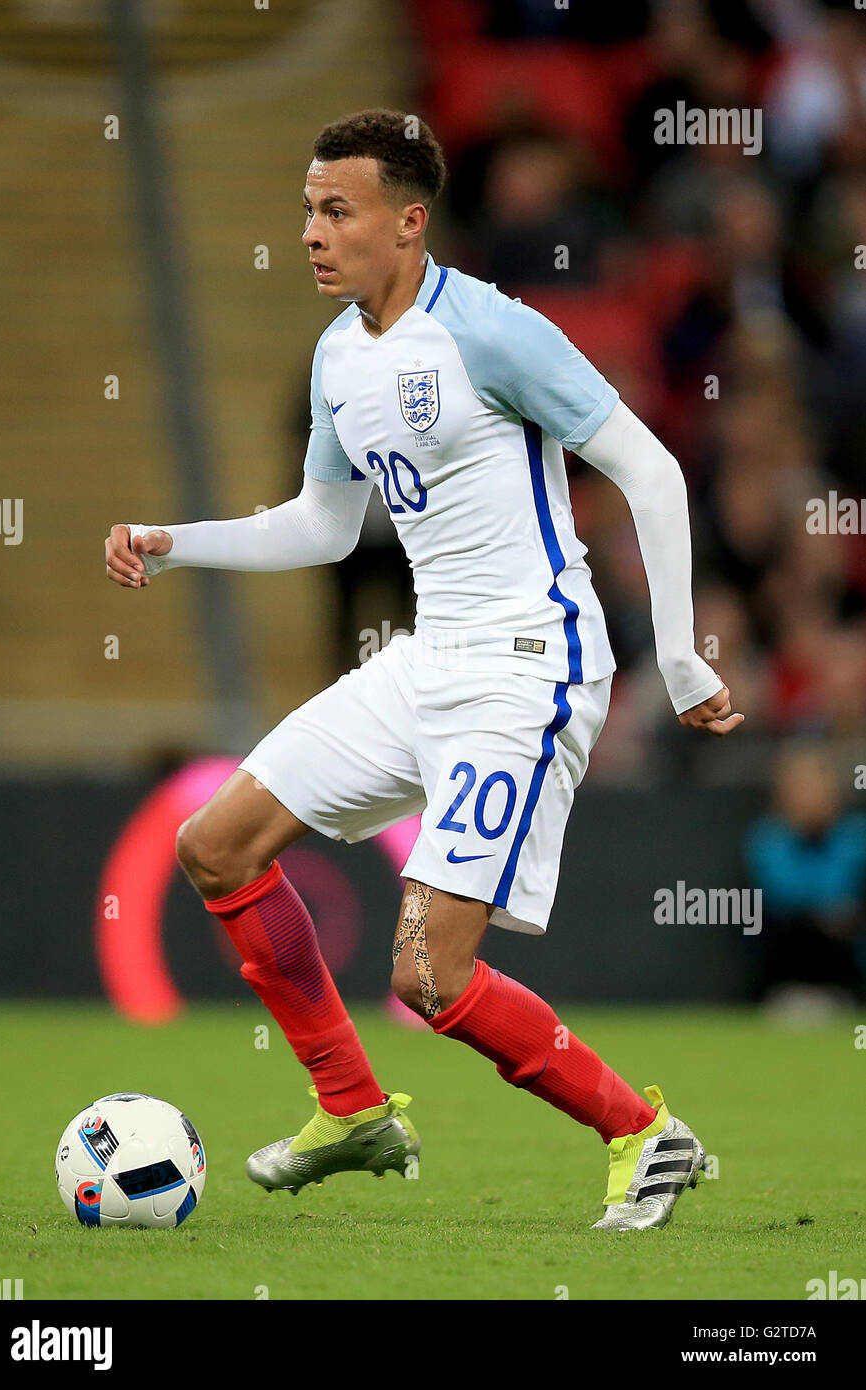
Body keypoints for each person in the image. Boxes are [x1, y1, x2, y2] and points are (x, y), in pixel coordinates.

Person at [104, 110, 743, 1231]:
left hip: (526, 664)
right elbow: (320, 523)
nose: (311, 231)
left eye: (335, 210)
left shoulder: (491, 332)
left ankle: (645, 1134)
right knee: (214, 846)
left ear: (407, 223)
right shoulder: (338, 355)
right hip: (424, 660)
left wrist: (682, 655)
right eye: (306, 209)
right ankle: (349, 1107)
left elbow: (649, 469)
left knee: (429, 976)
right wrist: (177, 539)